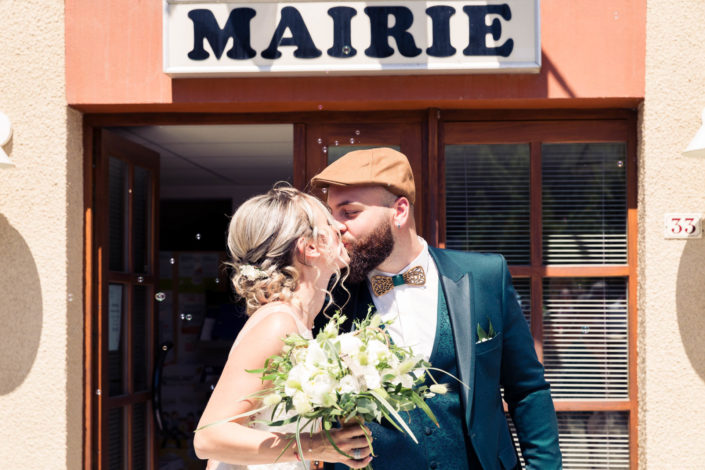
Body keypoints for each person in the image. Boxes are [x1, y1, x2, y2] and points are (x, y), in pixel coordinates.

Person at [310, 148, 562, 470]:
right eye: (332, 215)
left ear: (399, 211)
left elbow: (527, 389)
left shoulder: (484, 277)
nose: (336, 227)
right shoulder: (331, 297)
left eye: (349, 212)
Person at [194, 185, 374, 470]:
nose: (340, 226)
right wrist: (316, 446)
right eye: (328, 222)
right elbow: (209, 438)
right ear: (310, 247)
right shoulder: (278, 324)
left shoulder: (299, 322)